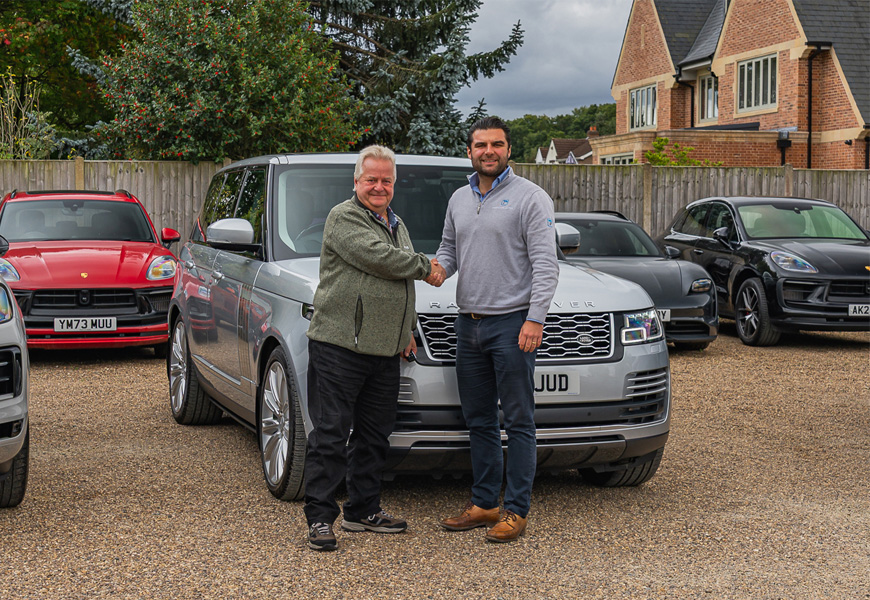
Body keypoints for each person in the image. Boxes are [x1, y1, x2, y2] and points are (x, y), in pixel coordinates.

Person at [303, 145, 445, 551]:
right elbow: (380, 259)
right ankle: (319, 519)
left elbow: (398, 288)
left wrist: (407, 330)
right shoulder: (343, 217)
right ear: (356, 181)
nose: (379, 186)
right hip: (339, 346)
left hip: (384, 350)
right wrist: (425, 266)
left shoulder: (395, 223)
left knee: (374, 436)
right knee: (330, 435)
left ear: (393, 184)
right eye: (371, 180)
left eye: (386, 180)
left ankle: (363, 510)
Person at [435, 116, 558, 543]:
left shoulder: (530, 198)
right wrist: (436, 271)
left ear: (509, 150)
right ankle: (486, 504)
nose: (489, 151)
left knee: (520, 421)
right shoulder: (458, 199)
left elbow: (546, 264)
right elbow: (449, 250)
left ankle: (516, 510)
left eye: (497, 144)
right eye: (481, 144)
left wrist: (535, 318)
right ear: (469, 151)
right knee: (480, 420)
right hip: (467, 324)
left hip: (512, 324)